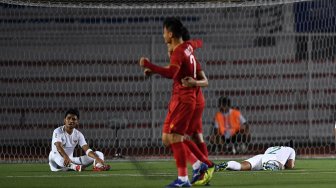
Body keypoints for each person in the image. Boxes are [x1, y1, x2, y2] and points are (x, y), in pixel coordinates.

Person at [139, 17, 204, 187]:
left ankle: (184, 179)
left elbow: (171, 74)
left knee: (176, 137)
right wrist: (196, 42)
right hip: (180, 98)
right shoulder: (187, 47)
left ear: (171, 34)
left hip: (183, 98)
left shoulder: (179, 52)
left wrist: (149, 65)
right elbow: (198, 42)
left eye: (164, 32)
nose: (163, 36)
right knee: (167, 138)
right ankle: (198, 165)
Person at [218, 146, 295, 171]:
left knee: (242, 166)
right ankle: (270, 165)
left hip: (260, 156)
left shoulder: (271, 148)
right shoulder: (291, 149)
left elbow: (265, 156)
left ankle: (228, 164)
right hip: (273, 159)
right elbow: (290, 165)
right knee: (282, 166)